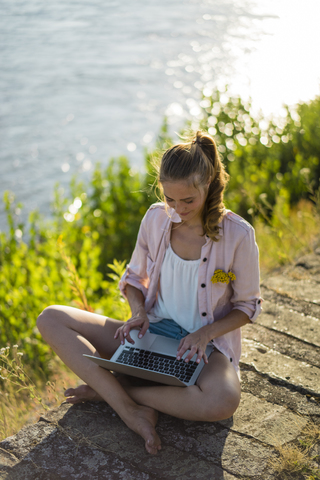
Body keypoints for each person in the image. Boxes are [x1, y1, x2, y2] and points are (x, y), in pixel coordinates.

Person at [37, 130, 262, 455]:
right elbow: (132, 280)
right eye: (170, 199)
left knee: (223, 400)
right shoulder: (156, 218)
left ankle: (112, 392)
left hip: (203, 348)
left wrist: (203, 335)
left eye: (188, 200)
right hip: (151, 332)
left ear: (209, 184)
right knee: (51, 318)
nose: (178, 208)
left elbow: (248, 306)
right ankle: (130, 409)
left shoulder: (238, 235)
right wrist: (138, 314)